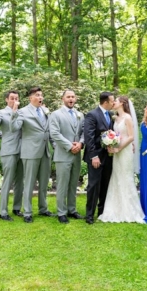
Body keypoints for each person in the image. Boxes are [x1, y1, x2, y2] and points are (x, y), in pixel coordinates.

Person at [98, 96, 145, 223]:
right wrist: (111, 143)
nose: (113, 103)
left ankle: (130, 211)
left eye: (116, 101)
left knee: (125, 177)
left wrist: (119, 148)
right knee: (116, 176)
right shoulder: (116, 118)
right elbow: (116, 135)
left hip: (125, 151)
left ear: (122, 103)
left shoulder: (128, 118)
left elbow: (131, 137)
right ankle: (115, 209)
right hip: (116, 151)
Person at [11, 87, 54, 223]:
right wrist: (14, 113)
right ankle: (27, 212)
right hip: (30, 152)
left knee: (44, 182)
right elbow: (14, 127)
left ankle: (43, 208)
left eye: (41, 95)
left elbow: (48, 130)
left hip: (45, 151)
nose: (40, 97)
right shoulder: (23, 111)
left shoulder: (45, 111)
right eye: (37, 95)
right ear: (30, 98)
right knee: (29, 183)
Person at [0, 90, 24, 221]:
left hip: (22, 150)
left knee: (20, 181)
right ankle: (3, 211)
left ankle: (17, 208)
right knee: (8, 180)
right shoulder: (1, 113)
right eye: (12, 98)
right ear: (7, 100)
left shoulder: (21, 112)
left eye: (16, 98)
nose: (14, 100)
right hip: (8, 151)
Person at [48, 90, 85, 224]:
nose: (71, 99)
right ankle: (61, 212)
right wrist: (70, 146)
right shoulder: (55, 115)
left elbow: (83, 132)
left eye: (73, 97)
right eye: (68, 96)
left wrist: (80, 144)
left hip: (76, 155)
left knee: (73, 184)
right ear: (63, 98)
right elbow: (55, 134)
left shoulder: (80, 115)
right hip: (63, 155)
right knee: (62, 185)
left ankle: (72, 210)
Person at [83, 91, 115, 224]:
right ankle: (89, 215)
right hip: (96, 156)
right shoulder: (92, 115)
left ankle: (102, 212)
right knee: (93, 185)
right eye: (112, 101)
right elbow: (89, 137)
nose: (114, 103)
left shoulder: (112, 115)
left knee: (105, 184)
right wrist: (94, 156)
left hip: (109, 156)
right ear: (105, 102)